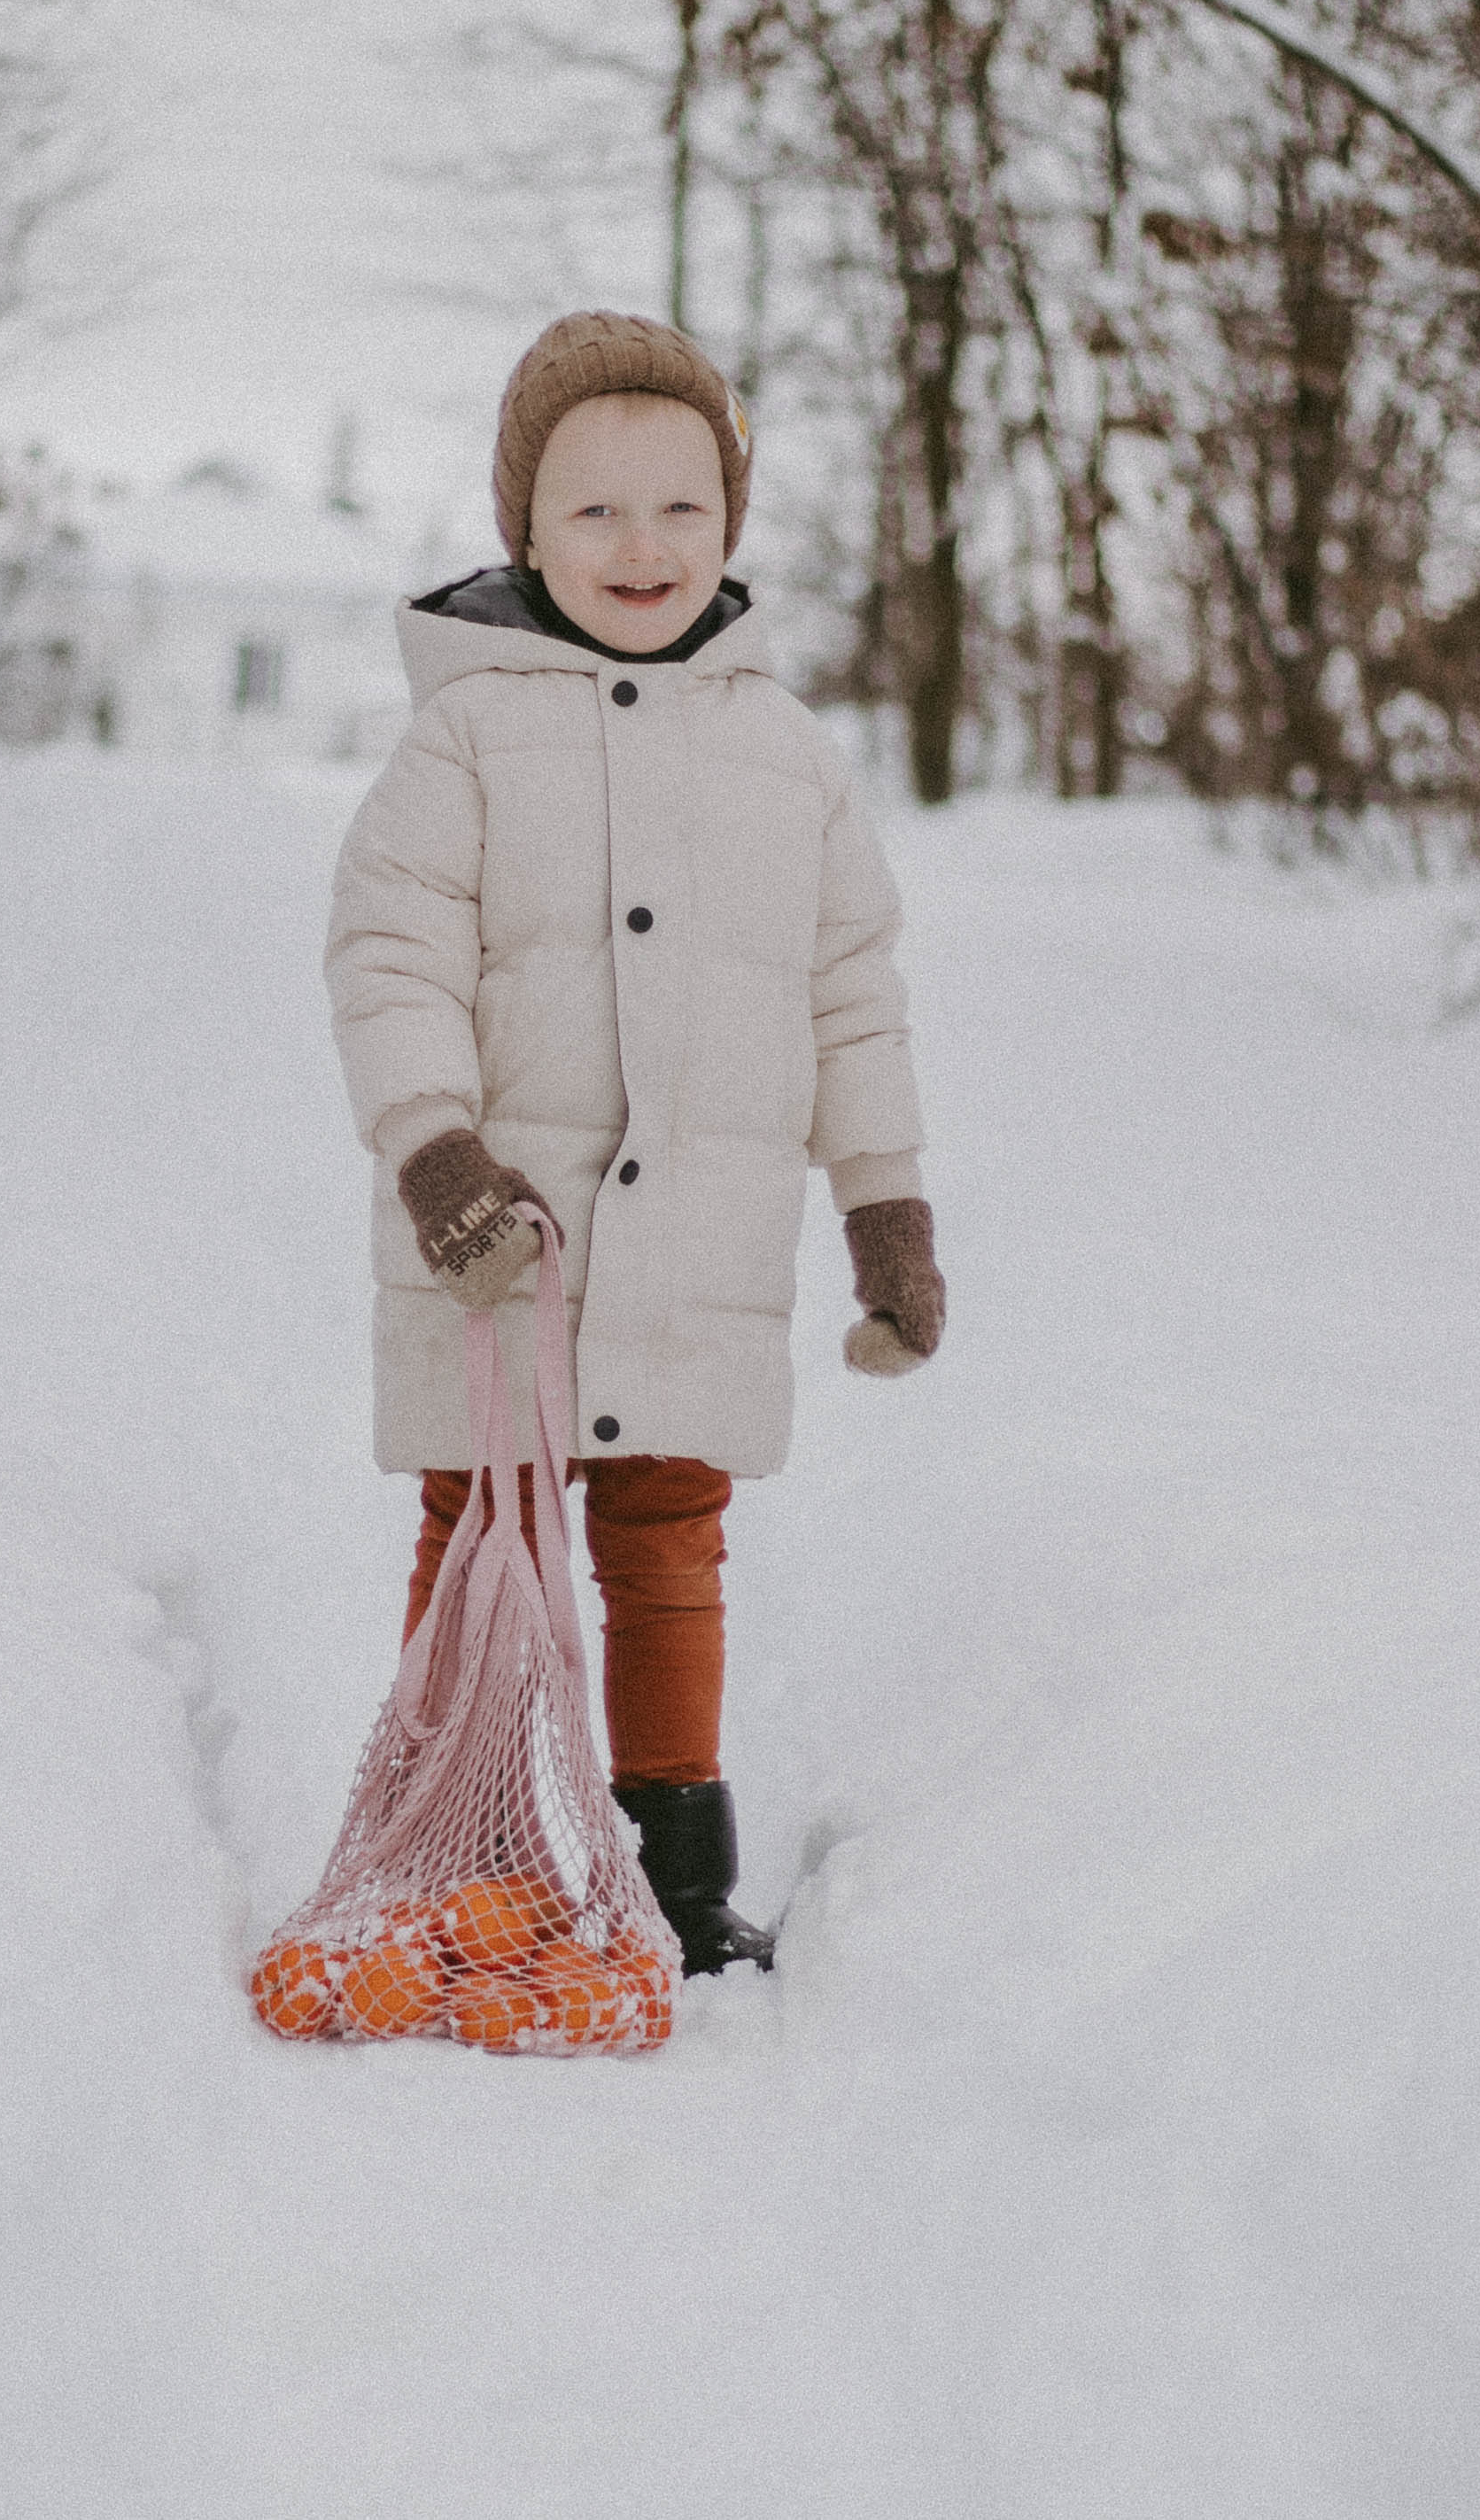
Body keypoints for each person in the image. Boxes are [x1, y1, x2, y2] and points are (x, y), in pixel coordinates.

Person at [324, 311, 944, 1975]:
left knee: (668, 1549)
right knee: (479, 1543)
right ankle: (452, 1843)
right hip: (499, 1257)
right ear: (524, 530)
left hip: (695, 1254)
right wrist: (439, 1156)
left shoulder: (789, 760)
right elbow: (389, 964)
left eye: (681, 507)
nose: (640, 546)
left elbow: (851, 998)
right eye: (592, 510)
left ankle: (673, 1871)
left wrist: (886, 1207)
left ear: (731, 527)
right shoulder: (459, 738)